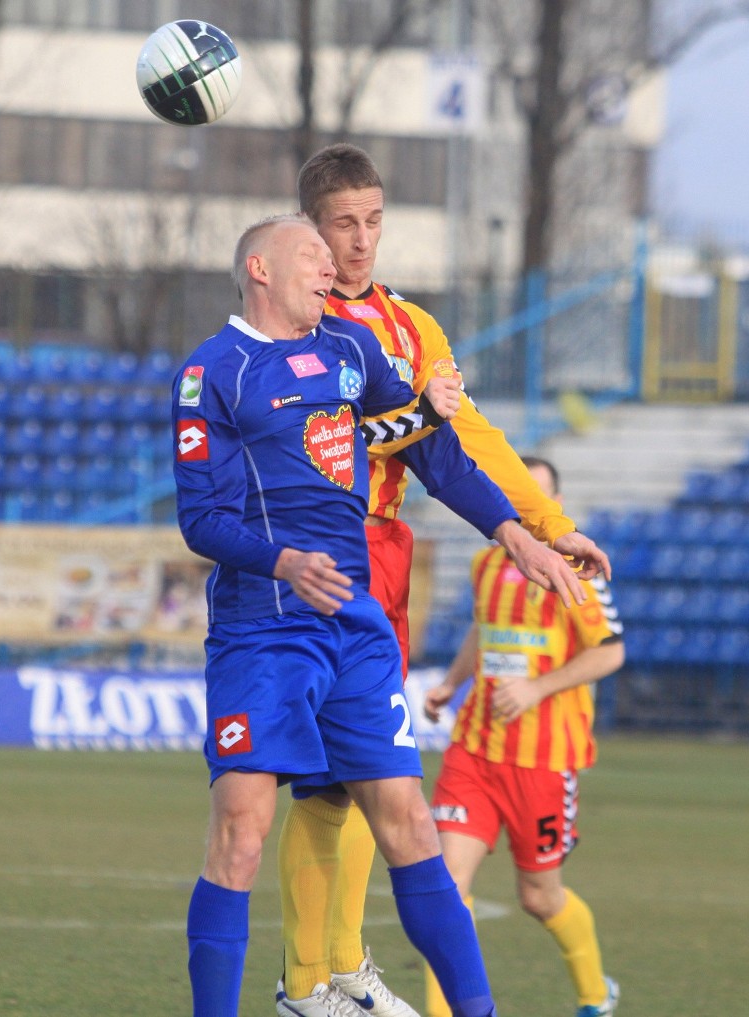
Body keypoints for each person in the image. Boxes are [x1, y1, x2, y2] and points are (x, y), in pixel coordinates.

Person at [277, 143, 613, 1016]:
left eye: (374, 220)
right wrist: (425, 413)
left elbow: (468, 443)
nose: (361, 240)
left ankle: (327, 973)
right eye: (343, 223)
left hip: (387, 555)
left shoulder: (414, 326)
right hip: (316, 549)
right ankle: (315, 974)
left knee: (352, 779)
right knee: (331, 781)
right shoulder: (294, 322)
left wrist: (548, 526)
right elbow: (343, 435)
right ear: (309, 227)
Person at [174, 212, 505, 1017]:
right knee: (242, 830)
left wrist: (513, 531)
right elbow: (199, 517)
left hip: (355, 628)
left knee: (411, 825)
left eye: (334, 256)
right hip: (263, 626)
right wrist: (281, 559)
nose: (332, 268)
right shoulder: (211, 372)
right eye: (313, 255)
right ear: (260, 267)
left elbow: (427, 448)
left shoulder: (354, 351)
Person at [423, 456, 625, 1017]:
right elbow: (484, 628)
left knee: (539, 897)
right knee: (447, 888)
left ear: (554, 506)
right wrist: (450, 683)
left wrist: (537, 690)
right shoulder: (488, 561)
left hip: (544, 757)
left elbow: (611, 652)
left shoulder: (574, 570)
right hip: (474, 749)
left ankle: (593, 995)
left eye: (537, 495)